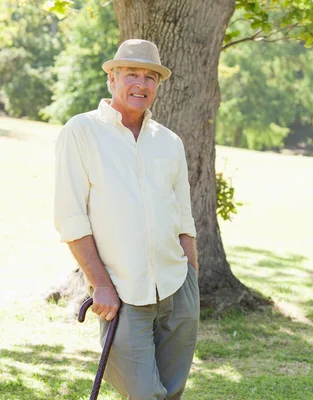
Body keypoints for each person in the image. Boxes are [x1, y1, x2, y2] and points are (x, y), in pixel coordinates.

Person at [54, 39, 199, 400]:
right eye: (131, 74)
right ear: (112, 79)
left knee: (172, 392)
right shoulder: (81, 131)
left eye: (150, 77)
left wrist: (191, 279)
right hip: (121, 290)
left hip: (176, 285)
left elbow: (183, 216)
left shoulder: (169, 141)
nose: (141, 84)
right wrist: (99, 284)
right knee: (144, 394)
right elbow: (70, 216)